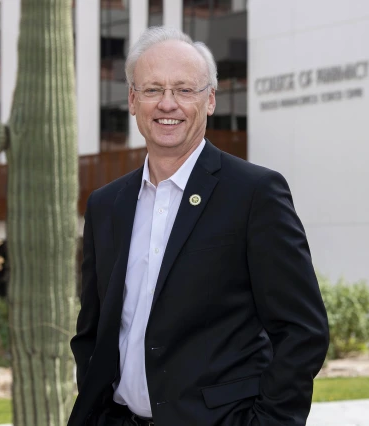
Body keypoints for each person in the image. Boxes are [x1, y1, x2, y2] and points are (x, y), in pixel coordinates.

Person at [68, 26, 329, 426]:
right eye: (153, 90)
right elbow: (93, 333)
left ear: (209, 100)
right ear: (133, 101)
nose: (167, 104)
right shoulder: (106, 205)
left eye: (184, 90)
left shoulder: (254, 193)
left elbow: (302, 331)